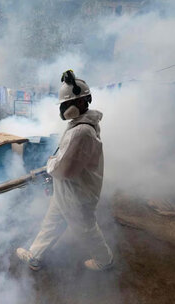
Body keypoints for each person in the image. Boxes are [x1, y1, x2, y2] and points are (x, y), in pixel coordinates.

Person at [16, 70, 114, 271]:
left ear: (80, 103)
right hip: (69, 189)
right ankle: (35, 255)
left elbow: (65, 169)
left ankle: (105, 261)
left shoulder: (81, 131)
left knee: (86, 229)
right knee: (52, 222)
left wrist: (50, 166)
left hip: (76, 192)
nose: (62, 108)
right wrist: (54, 168)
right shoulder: (80, 124)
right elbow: (67, 161)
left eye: (65, 104)